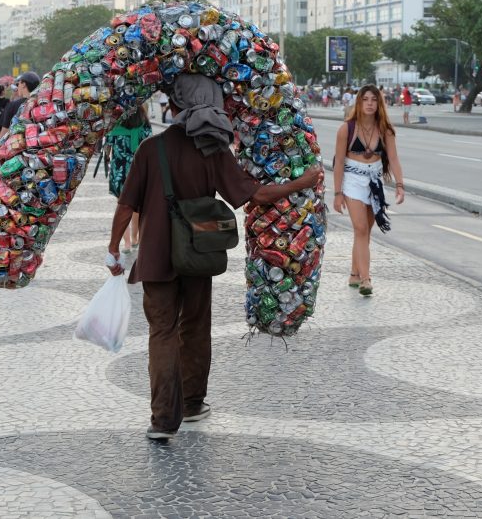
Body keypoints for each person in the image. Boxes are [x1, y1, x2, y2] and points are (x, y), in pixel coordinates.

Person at [106, 74, 322, 441]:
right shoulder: (213, 149)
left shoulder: (151, 149)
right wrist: (301, 183)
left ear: (174, 107)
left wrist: (113, 250)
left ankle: (162, 421)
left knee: (162, 333)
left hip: (158, 256)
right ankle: (192, 404)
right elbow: (257, 195)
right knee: (195, 326)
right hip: (198, 253)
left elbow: (126, 206)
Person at [332, 84, 405, 297]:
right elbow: (337, 163)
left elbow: (393, 158)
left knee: (365, 232)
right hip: (352, 180)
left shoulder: (385, 129)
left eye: (374, 100)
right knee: (360, 229)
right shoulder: (346, 128)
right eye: (366, 99)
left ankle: (355, 273)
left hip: (374, 181)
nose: (370, 104)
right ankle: (366, 279)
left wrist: (400, 185)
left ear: (379, 103)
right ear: (359, 102)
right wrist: (337, 194)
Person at [106, 102, 152, 253]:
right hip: (138, 171)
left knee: (122, 205)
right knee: (137, 206)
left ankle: (125, 243)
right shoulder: (144, 124)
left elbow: (107, 147)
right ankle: (135, 238)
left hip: (118, 171)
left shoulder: (116, 124)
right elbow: (149, 144)